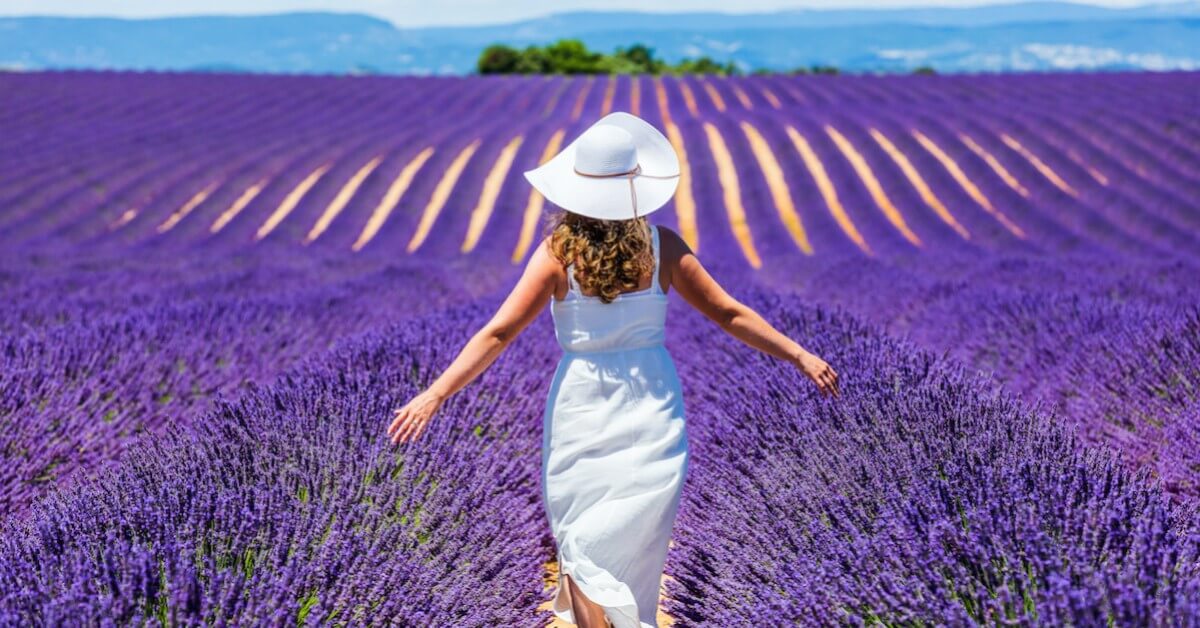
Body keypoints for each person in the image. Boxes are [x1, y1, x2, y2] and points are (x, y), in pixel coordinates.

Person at [387, 111, 839, 627]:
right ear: (635, 187)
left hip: (583, 400)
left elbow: (498, 332)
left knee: (579, 540)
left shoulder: (558, 253)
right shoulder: (662, 246)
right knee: (630, 538)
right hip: (653, 400)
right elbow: (729, 313)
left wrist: (436, 394)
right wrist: (797, 353)